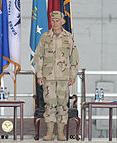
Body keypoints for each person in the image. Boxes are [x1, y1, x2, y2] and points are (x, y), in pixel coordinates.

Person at [34, 11, 79, 141]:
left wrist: (73, 75)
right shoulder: (45, 37)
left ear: (62, 21)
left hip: (64, 77)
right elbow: (38, 57)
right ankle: (49, 133)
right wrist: (39, 75)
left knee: (63, 105)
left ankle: (60, 133)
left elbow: (74, 58)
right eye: (53, 20)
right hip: (49, 77)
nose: (55, 23)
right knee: (49, 104)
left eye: (57, 20)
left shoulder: (69, 37)